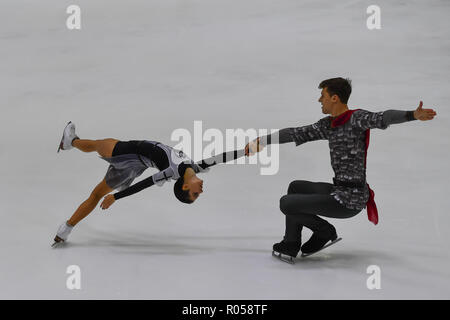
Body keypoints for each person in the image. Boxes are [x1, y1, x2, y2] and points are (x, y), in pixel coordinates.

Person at [245, 77, 437, 260]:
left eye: (323, 96)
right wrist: (261, 141)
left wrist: (412, 115)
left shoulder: (356, 119)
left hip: (349, 199)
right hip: (340, 189)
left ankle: (324, 231)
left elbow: (383, 117)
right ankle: (291, 243)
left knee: (287, 203)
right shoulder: (328, 125)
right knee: (296, 187)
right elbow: (295, 133)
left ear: (334, 98)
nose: (320, 100)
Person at [53, 122, 245, 246]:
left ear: (185, 187)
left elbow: (144, 184)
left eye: (195, 195)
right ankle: (65, 229)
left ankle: (71, 142)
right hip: (136, 165)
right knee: (95, 193)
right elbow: (221, 158)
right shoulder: (196, 167)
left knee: (99, 145)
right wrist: (247, 150)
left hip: (129, 153)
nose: (201, 192)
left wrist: (115, 197)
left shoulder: (170, 172)